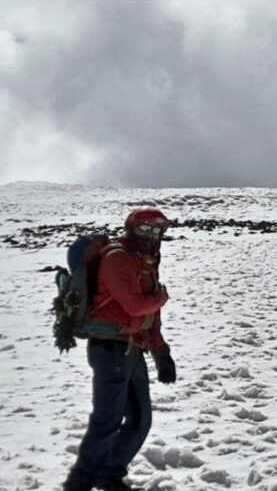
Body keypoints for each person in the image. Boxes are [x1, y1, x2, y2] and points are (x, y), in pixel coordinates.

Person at [63, 208, 176, 491]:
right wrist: (161, 296)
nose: (152, 236)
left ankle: (110, 474)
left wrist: (161, 352)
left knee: (140, 419)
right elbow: (137, 306)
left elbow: (149, 316)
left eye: (157, 230)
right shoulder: (117, 259)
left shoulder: (145, 262)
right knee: (108, 418)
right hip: (110, 349)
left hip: (133, 349)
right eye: (145, 229)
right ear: (130, 229)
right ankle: (81, 481)